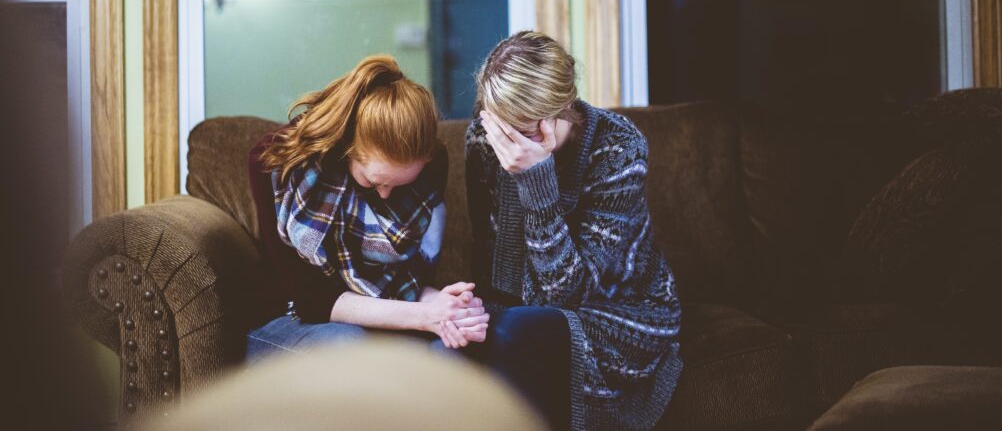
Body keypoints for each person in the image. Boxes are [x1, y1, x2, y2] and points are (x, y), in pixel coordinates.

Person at [465, 31, 683, 431]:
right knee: (466, 339)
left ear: (562, 110)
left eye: (523, 131)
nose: (508, 146)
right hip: (522, 311)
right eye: (501, 128)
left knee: (519, 332)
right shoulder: (484, 140)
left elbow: (565, 295)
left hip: (620, 311)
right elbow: (491, 259)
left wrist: (537, 180)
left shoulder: (618, 148)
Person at [247, 55, 488, 359]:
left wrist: (449, 307)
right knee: (351, 347)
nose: (386, 195)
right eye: (374, 182)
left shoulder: (430, 168)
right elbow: (310, 299)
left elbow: (409, 284)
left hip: (380, 317)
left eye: (399, 185)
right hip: (289, 318)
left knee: (452, 352)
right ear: (347, 148)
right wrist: (426, 317)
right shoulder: (274, 164)